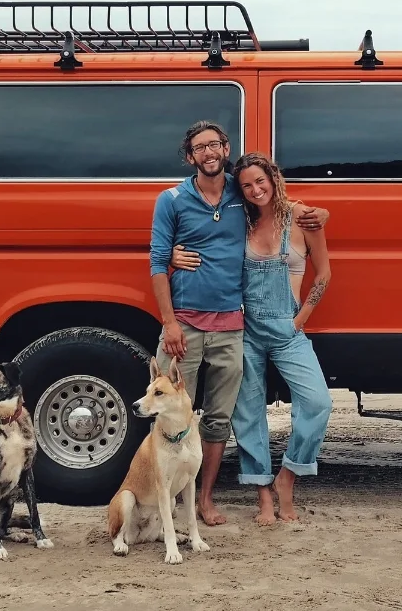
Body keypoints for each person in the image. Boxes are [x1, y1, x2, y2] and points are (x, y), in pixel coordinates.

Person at [148, 122, 326, 527]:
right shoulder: (171, 199)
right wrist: (169, 323)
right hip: (186, 326)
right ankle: (165, 502)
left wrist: (319, 212)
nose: (208, 152)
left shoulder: (239, 190)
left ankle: (204, 500)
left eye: (215, 144)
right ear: (189, 155)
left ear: (226, 148)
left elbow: (278, 202)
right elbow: (157, 261)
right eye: (199, 147)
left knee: (220, 418)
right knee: (171, 413)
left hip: (232, 326)